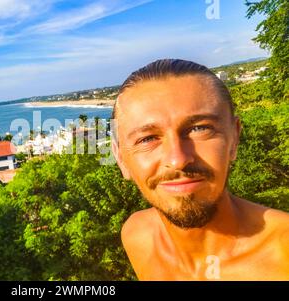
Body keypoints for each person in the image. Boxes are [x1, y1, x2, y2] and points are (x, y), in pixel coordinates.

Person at [111, 59, 289, 280]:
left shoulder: (282, 255)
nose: (178, 160)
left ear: (234, 139)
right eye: (147, 138)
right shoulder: (137, 236)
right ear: (121, 159)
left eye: (199, 128)